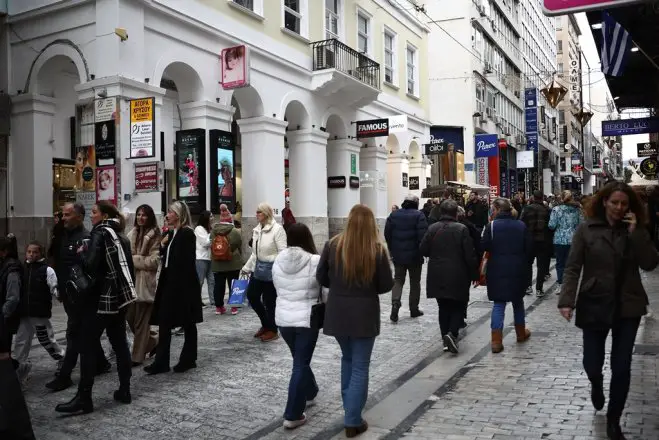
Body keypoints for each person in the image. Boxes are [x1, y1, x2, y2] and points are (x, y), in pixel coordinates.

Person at [558, 182, 658, 440]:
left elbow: (649, 263)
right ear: (604, 202)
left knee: (622, 366)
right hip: (594, 300)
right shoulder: (586, 229)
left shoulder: (635, 230)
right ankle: (596, 382)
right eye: (614, 202)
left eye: (624, 203)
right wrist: (567, 300)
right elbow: (572, 267)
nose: (619, 207)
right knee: (592, 362)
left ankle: (614, 421)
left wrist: (637, 233)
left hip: (628, 303)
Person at [317, 204, 394, 438]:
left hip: (338, 310)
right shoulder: (377, 250)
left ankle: (349, 408)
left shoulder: (333, 245)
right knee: (360, 365)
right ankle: (352, 418)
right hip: (364, 313)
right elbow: (385, 285)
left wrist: (340, 285)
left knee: (347, 359)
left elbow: (321, 277)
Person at [55, 202, 136, 414]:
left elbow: (90, 265)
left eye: (94, 212)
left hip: (100, 301)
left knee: (87, 345)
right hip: (119, 300)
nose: (91, 216)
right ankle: (125, 389)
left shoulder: (100, 234)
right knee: (120, 344)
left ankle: (84, 397)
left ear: (104, 215)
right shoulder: (122, 236)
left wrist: (82, 253)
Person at [47, 203, 110, 392]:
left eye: (67, 215)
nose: (63, 218)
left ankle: (65, 375)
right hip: (68, 294)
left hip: (81, 297)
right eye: (63, 214)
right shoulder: (63, 235)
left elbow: (88, 271)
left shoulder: (86, 239)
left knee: (73, 334)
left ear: (79, 217)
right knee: (84, 334)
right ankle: (101, 363)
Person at [272, 223, 323, 430]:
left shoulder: (278, 260)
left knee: (299, 358)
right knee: (300, 363)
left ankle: (310, 391)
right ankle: (293, 413)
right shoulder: (315, 261)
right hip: (306, 318)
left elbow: (276, 286)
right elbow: (324, 289)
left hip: (284, 319)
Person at [146, 201, 203, 375]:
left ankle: (188, 358)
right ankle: (162, 361)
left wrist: (179, 287)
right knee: (165, 322)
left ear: (178, 214)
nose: (167, 215)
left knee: (188, 321)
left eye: (170, 212)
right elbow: (168, 257)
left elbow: (185, 262)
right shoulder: (173, 233)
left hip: (182, 284)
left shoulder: (186, 234)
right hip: (169, 282)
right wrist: (163, 245)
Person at [421, 200, 478, 354]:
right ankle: (452, 333)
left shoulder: (433, 228)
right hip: (458, 273)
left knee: (443, 306)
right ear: (455, 213)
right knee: (458, 304)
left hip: (437, 273)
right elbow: (469, 254)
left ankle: (445, 338)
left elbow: (423, 249)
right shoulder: (462, 229)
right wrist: (474, 273)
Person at [481, 198, 532, 354]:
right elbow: (530, 250)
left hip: (497, 269)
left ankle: (496, 341)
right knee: (518, 302)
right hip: (518, 268)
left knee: (499, 304)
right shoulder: (521, 226)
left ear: (496, 209)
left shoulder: (492, 226)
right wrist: (525, 264)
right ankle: (520, 333)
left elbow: (484, 246)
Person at [13, 241, 64, 384]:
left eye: (35, 252)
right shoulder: (22, 269)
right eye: (29, 252)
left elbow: (54, 287)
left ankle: (62, 359)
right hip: (24, 314)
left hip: (39, 313)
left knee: (47, 339)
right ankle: (20, 369)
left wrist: (59, 295)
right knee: (21, 342)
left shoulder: (47, 270)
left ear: (41, 253)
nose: (32, 254)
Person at [0, 235, 36, 439]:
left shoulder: (12, 269)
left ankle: (20, 369)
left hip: (11, 318)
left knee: (14, 350)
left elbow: (12, 298)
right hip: (8, 318)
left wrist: (2, 315)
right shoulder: (8, 266)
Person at [242, 202, 287, 343]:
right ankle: (266, 324)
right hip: (258, 269)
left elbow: (283, 252)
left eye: (259, 212)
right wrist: (246, 267)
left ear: (266, 214)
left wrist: (274, 265)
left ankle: (273, 330)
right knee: (252, 296)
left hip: (272, 270)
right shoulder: (257, 230)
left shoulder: (277, 229)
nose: (256, 214)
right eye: (256, 212)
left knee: (270, 301)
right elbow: (255, 253)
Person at [384, 194, 427, 323]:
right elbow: (423, 236)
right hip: (415, 256)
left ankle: (395, 304)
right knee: (415, 282)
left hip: (398, 255)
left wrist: (392, 249)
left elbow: (387, 234)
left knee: (398, 280)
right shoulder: (419, 216)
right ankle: (414, 309)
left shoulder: (394, 215)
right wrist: (422, 251)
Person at [126, 204, 160, 366]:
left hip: (146, 284)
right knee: (131, 318)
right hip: (130, 283)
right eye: (138, 214)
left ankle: (137, 357)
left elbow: (153, 261)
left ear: (150, 217)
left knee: (141, 323)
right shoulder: (131, 234)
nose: (140, 217)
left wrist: (134, 259)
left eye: (144, 215)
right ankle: (154, 340)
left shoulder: (154, 235)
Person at [548, 190, 583, 286]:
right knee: (571, 263)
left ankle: (561, 283)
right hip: (573, 240)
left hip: (559, 239)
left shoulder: (556, 209)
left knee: (560, 263)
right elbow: (581, 224)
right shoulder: (577, 209)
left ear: (561, 198)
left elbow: (551, 225)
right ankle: (571, 283)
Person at [520, 190, 551, 297]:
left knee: (528, 264)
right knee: (541, 265)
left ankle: (528, 286)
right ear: (542, 197)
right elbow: (550, 226)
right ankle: (539, 288)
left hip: (530, 240)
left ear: (533, 197)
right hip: (543, 240)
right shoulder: (546, 209)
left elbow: (521, 223)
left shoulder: (527, 209)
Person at [210, 214, 243, 315]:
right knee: (234, 285)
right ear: (230, 220)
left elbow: (212, 245)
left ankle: (219, 307)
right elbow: (239, 244)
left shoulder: (213, 231)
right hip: (233, 263)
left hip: (217, 263)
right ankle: (234, 307)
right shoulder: (234, 231)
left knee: (218, 285)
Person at [195, 211, 215, 307]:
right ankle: (197, 300)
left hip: (210, 258)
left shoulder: (210, 229)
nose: (212, 218)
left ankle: (213, 300)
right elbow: (205, 243)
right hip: (201, 258)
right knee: (200, 280)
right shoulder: (199, 229)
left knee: (212, 280)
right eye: (210, 216)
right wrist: (213, 237)